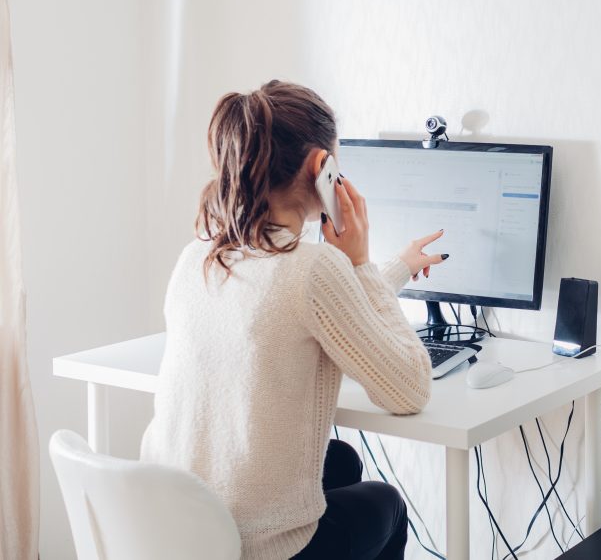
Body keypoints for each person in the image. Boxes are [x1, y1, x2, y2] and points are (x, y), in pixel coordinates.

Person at [141, 80, 445, 559]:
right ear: (322, 166)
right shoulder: (314, 268)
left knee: (339, 461)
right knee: (387, 504)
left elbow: (323, 311)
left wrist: (397, 268)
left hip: (179, 532)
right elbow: (410, 390)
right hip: (255, 547)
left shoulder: (198, 256)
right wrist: (360, 264)